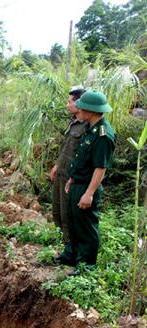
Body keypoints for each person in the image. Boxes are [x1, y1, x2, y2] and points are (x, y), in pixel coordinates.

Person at [60, 90, 115, 272]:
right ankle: (72, 256)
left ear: (90, 111)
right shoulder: (90, 129)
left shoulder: (102, 135)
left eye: (81, 107)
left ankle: (86, 265)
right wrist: (72, 179)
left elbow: (100, 167)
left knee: (86, 227)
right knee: (74, 222)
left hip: (87, 187)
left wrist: (89, 193)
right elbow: (83, 160)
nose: (78, 110)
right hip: (78, 183)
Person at [50, 87, 87, 264]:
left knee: (68, 215)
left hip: (72, 178)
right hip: (61, 174)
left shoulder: (88, 126)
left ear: (79, 103)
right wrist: (57, 165)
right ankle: (68, 248)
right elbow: (67, 148)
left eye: (69, 101)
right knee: (57, 211)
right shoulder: (74, 122)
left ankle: (73, 253)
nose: (67, 104)